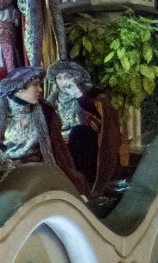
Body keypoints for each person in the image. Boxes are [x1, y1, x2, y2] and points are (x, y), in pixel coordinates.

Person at [0, 67, 89, 195]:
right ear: (19, 89)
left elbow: (60, 152)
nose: (40, 89)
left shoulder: (46, 113)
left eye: (40, 84)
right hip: (4, 173)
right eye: (35, 85)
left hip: (36, 173)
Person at [47, 61, 123, 197]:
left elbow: (100, 112)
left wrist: (78, 94)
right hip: (61, 139)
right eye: (59, 77)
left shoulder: (91, 94)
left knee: (79, 133)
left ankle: (87, 184)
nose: (63, 81)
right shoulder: (52, 99)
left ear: (76, 77)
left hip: (85, 140)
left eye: (67, 76)